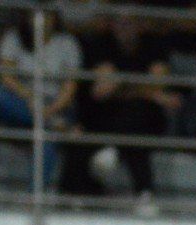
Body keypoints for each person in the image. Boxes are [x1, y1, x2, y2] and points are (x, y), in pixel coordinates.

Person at [64, 13, 180, 208]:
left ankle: (116, 154)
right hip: (107, 115)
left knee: (136, 120)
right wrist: (147, 91)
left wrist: (122, 85)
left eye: (130, 22)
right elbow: (102, 91)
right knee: (109, 128)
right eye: (120, 22)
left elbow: (157, 84)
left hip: (144, 118)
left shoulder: (154, 45)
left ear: (140, 25)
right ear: (112, 25)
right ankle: (142, 191)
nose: (125, 28)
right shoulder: (101, 44)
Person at [0, 6, 81, 183]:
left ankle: (34, 195)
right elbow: (5, 76)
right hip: (22, 102)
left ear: (55, 17)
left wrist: (50, 109)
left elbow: (70, 88)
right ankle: (55, 125)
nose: (42, 20)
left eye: (47, 15)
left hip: (55, 104)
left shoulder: (67, 43)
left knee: (46, 135)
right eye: (36, 15)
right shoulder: (14, 37)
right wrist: (29, 96)